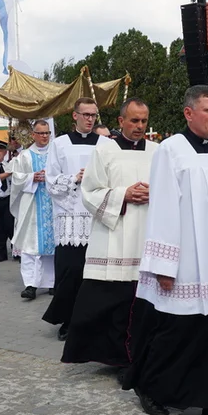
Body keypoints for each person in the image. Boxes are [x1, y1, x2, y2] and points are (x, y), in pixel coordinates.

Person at [124, 85, 208, 415]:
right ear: (188, 113)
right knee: (180, 329)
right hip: (188, 259)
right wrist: (165, 265)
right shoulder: (171, 150)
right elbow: (163, 208)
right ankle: (151, 388)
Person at [61, 97, 156, 375]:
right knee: (113, 301)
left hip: (147, 232)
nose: (140, 126)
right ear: (121, 121)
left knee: (143, 303)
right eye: (134, 120)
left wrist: (155, 193)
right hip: (115, 234)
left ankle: (143, 354)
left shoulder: (158, 151)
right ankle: (117, 358)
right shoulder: (104, 152)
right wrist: (123, 195)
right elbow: (89, 192)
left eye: (144, 121)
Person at [42, 98, 109, 340]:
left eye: (94, 115)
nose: (90, 119)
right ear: (75, 116)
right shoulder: (59, 144)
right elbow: (51, 180)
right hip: (70, 218)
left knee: (95, 273)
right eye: (86, 114)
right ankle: (68, 321)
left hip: (96, 215)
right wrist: (74, 178)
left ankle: (93, 320)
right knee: (71, 270)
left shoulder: (105, 143)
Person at [9, 120, 56, 300]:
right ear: (33, 135)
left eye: (47, 133)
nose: (44, 136)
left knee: (52, 246)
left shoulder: (56, 154)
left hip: (52, 205)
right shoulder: (25, 156)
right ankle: (30, 284)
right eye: (41, 133)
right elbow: (17, 178)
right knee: (30, 246)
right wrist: (31, 177)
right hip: (32, 205)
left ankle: (51, 283)